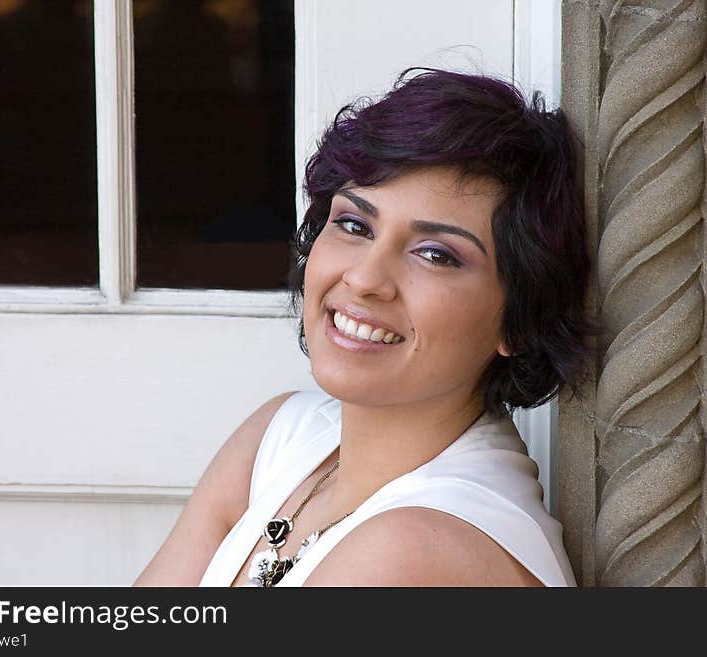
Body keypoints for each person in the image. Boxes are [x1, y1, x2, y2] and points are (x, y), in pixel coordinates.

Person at [134, 67, 591, 588]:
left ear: (520, 320)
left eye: (436, 255)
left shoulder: (417, 548)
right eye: (354, 225)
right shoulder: (281, 438)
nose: (366, 278)